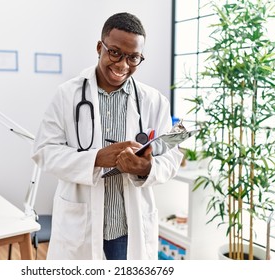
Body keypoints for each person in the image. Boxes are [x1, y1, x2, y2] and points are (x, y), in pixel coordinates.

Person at [32, 12, 183, 260]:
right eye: (114, 52)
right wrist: (96, 158)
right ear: (99, 47)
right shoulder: (67, 95)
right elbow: (44, 151)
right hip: (81, 223)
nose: (123, 65)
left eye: (133, 57)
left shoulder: (154, 101)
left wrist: (146, 167)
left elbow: (172, 157)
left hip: (127, 227)